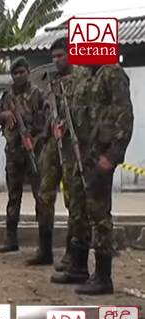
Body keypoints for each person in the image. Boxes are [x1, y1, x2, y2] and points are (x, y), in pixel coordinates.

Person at [52, 62, 133, 295]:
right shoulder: (84, 76)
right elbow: (78, 111)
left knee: (98, 214)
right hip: (81, 153)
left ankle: (103, 276)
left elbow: (125, 115)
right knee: (78, 209)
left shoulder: (113, 73)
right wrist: (64, 126)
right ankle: (77, 266)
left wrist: (114, 154)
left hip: (100, 153)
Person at [36, 38, 90, 268]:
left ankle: (71, 253)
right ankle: (44, 249)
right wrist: (50, 123)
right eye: (54, 57)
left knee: (74, 201)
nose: (57, 61)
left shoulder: (82, 78)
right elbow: (48, 111)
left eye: (61, 55)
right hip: (53, 144)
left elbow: (88, 110)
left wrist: (69, 124)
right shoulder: (52, 83)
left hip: (73, 145)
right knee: (44, 196)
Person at [0, 57, 46, 256]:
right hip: (13, 152)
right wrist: (4, 116)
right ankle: (11, 240)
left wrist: (35, 137)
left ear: (28, 71)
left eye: (22, 72)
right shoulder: (7, 97)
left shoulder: (38, 94)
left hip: (34, 151)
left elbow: (47, 122)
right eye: (15, 73)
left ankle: (44, 245)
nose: (19, 76)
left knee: (41, 197)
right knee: (14, 197)